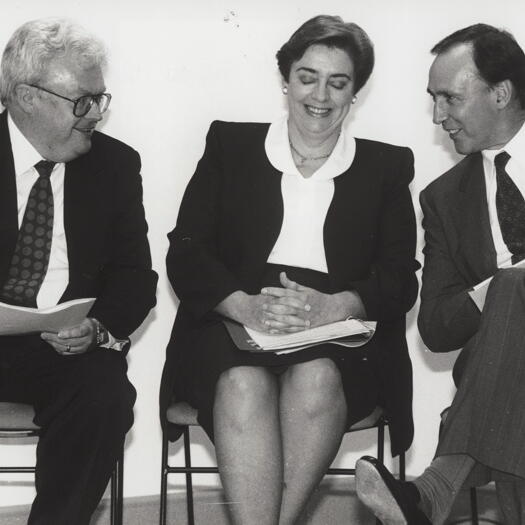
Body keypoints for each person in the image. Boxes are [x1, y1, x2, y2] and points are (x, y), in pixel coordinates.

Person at [160, 14, 419, 525]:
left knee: (317, 379)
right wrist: (244, 305)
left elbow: (400, 278)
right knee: (241, 384)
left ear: (355, 93)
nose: (319, 94)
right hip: (231, 319)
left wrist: (337, 305)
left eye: (338, 82)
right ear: (285, 80)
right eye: (307, 76)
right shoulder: (230, 145)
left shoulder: (387, 166)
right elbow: (185, 252)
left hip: (342, 333)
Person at [356, 23, 525, 525]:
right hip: (506, 385)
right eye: (433, 99)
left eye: (450, 98)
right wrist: (495, 288)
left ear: (501, 92)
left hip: (489, 396)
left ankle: (434, 489)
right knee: (512, 289)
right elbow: (435, 327)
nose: (438, 116)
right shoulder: (444, 199)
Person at [0, 18, 157, 524]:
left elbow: (136, 278)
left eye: (100, 98)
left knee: (105, 394)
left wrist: (96, 329)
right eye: (82, 100)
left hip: (58, 350)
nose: (96, 114)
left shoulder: (114, 165)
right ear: (26, 96)